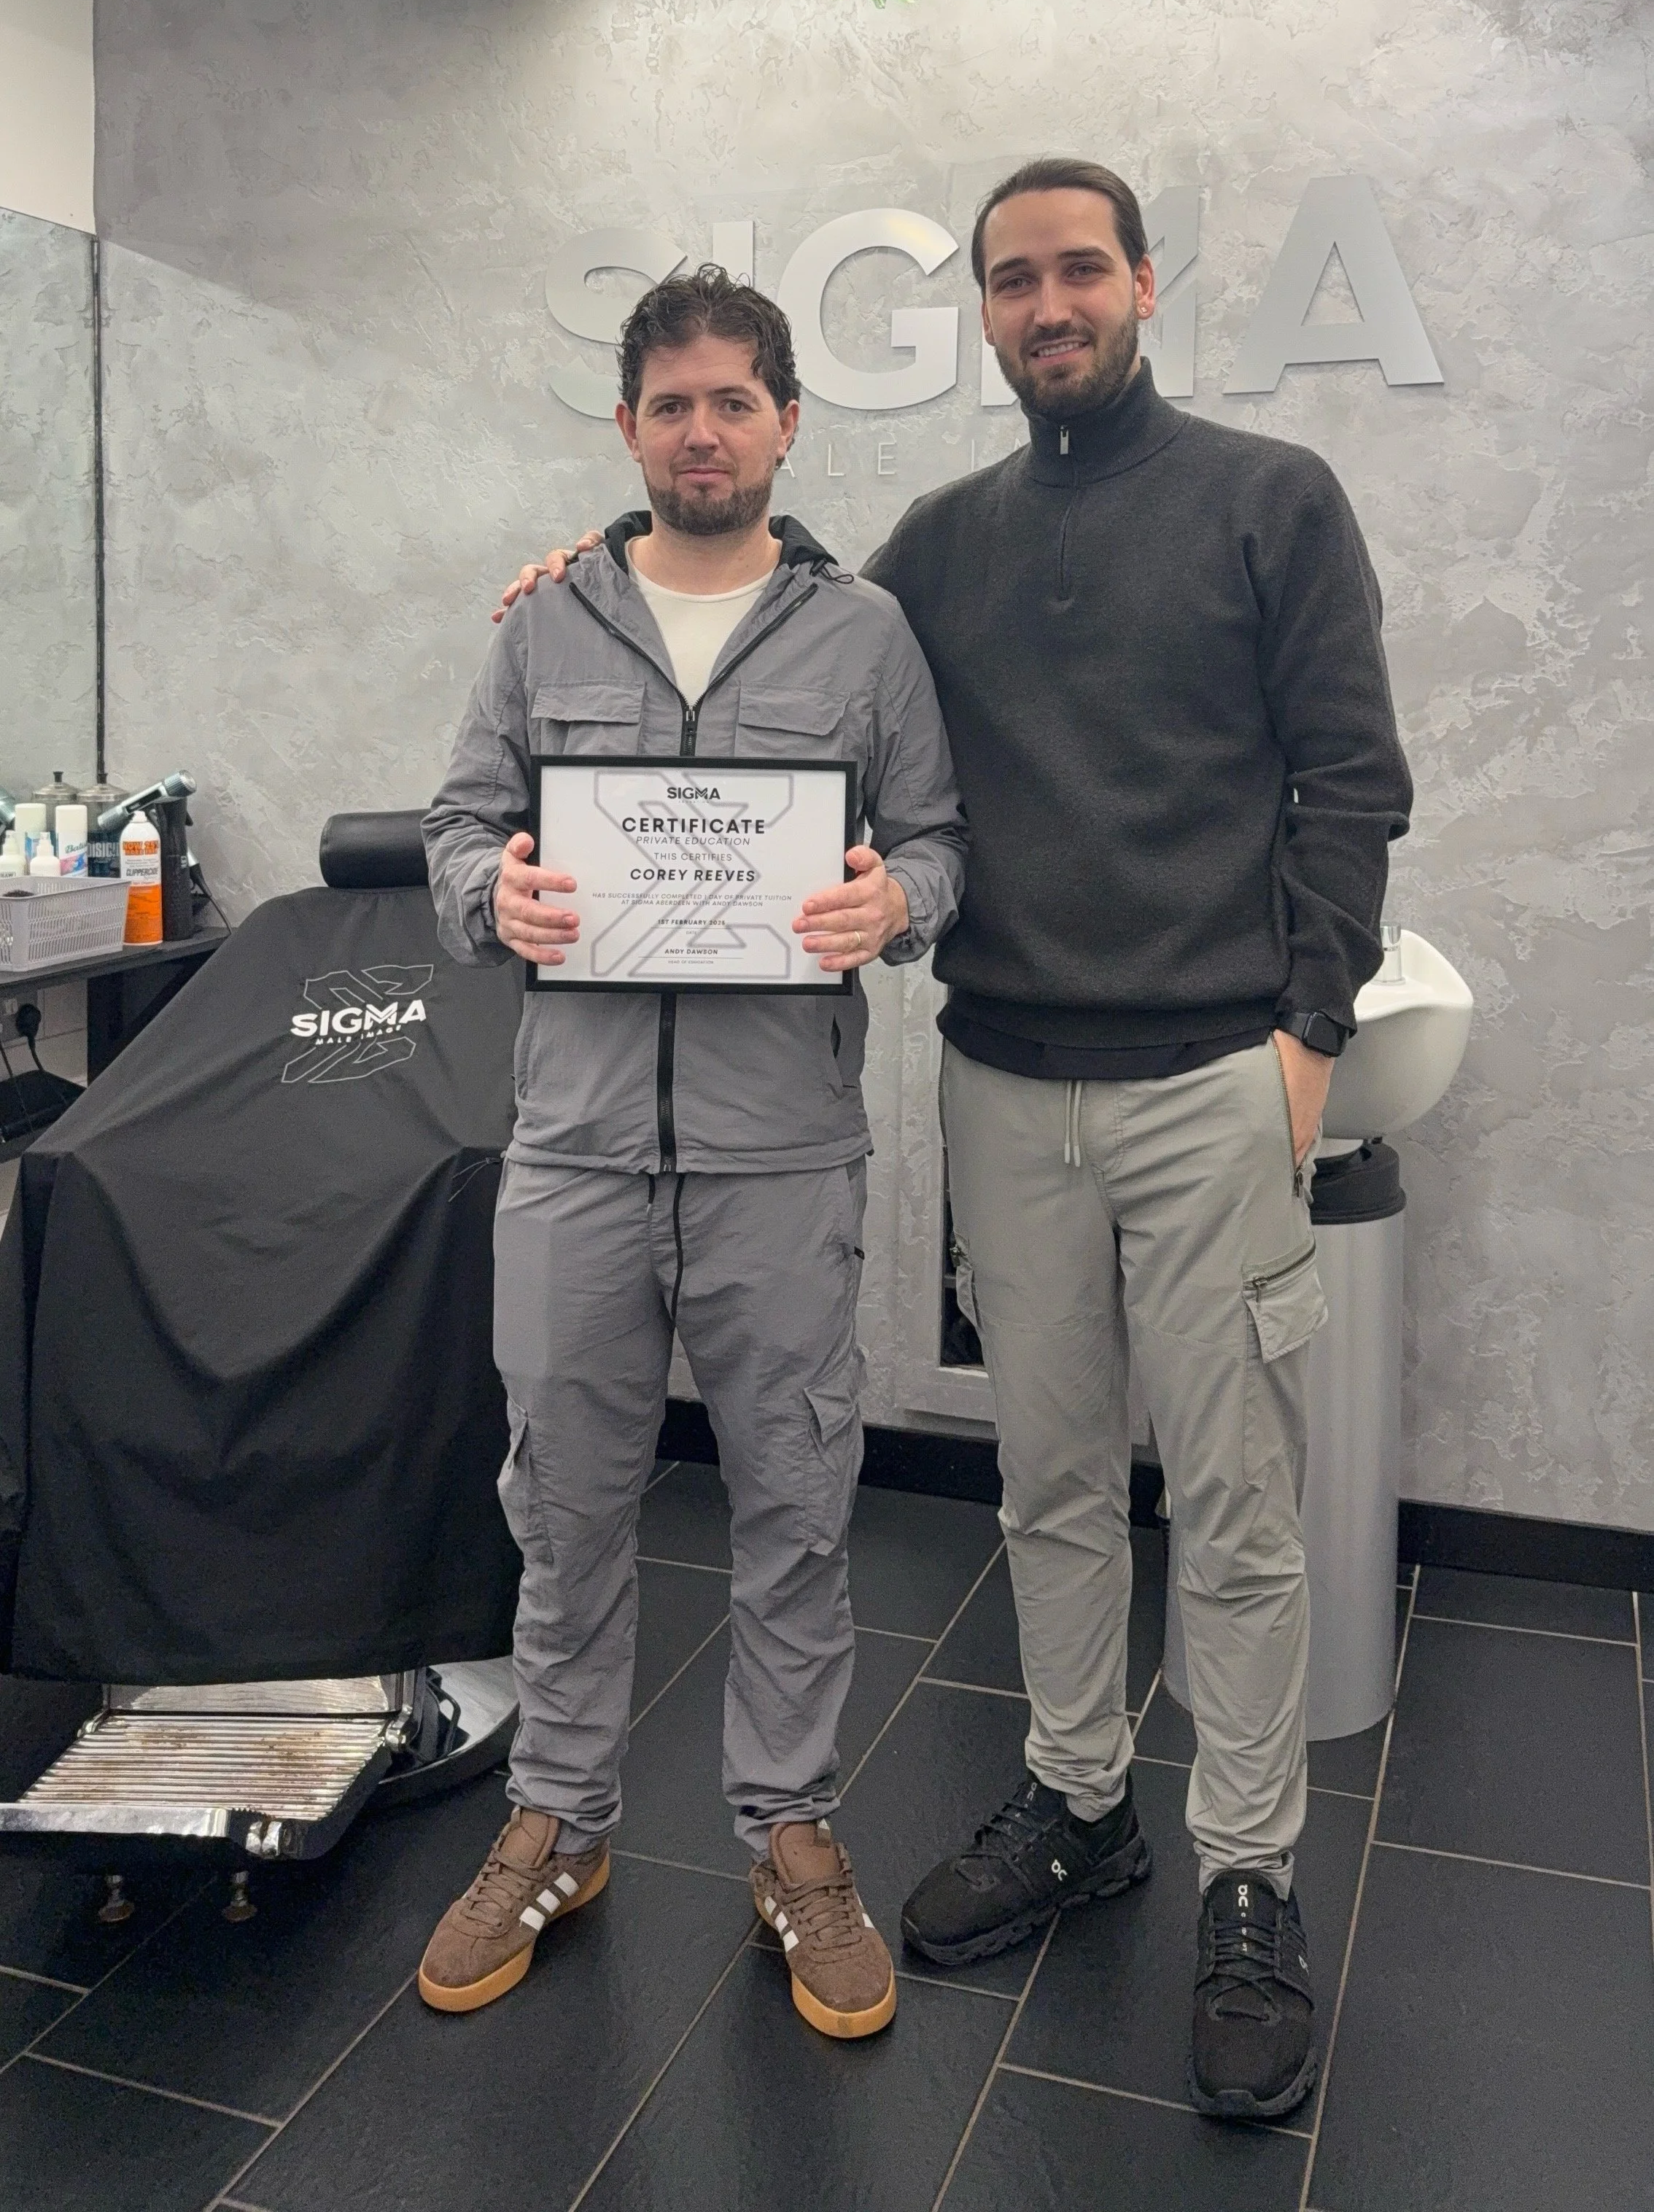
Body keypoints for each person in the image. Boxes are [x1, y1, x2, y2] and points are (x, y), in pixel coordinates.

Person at [499, 160, 1412, 2123]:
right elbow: (763, 613)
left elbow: (1352, 779)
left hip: (1204, 1086)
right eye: (1013, 279)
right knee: (1052, 1484)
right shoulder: (938, 540)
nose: (1046, 302)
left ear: (1141, 286)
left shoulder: (1270, 502)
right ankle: (1082, 1803)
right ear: (982, 317)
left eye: (1077, 268)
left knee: (1236, 1507)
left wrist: (1306, 1041)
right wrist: (580, 569)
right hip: (999, 1077)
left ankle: (1247, 1877)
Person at [419, 264, 966, 2041]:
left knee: (795, 1507)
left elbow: (942, 848)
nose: (705, 429)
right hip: (572, 1151)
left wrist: (898, 901)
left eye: (737, 399)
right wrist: (488, 892)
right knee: (562, 1507)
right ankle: (557, 1820)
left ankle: (792, 1832)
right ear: (631, 426)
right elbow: (455, 830)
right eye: (673, 403)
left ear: (787, 422)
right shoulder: (542, 624)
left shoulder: (865, 637)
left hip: (780, 1156)